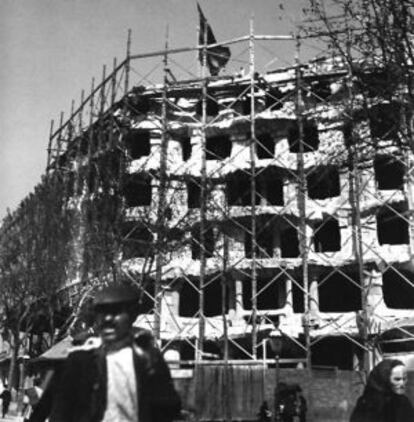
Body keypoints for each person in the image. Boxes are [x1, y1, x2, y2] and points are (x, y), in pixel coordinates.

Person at [29, 283, 182, 422]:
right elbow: (60, 408)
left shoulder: (148, 358)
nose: (108, 319)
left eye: (116, 312)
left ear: (132, 315)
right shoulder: (81, 359)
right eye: (102, 313)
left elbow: (167, 408)